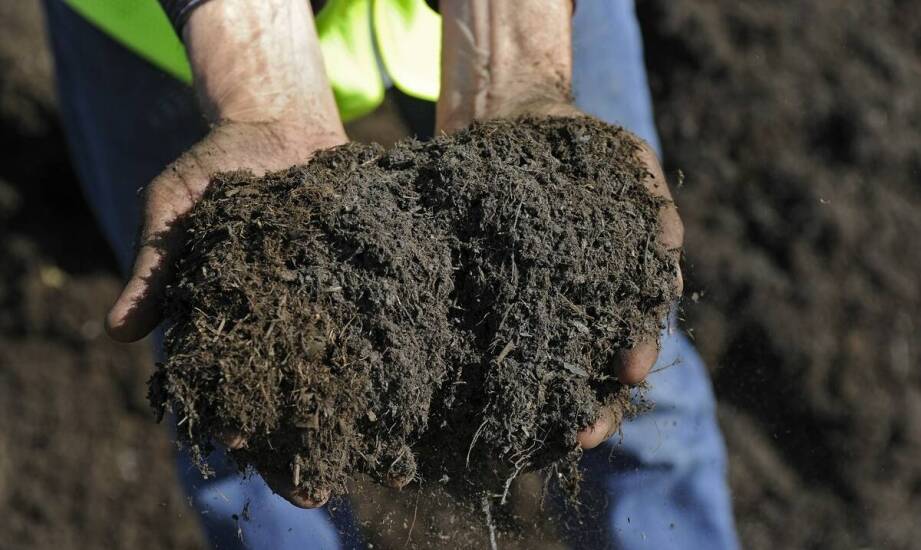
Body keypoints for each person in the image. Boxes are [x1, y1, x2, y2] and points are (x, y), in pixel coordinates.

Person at [43, 0, 739, 547]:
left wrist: (518, 51)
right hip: (171, 31)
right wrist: (256, 88)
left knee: (620, 355)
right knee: (243, 397)